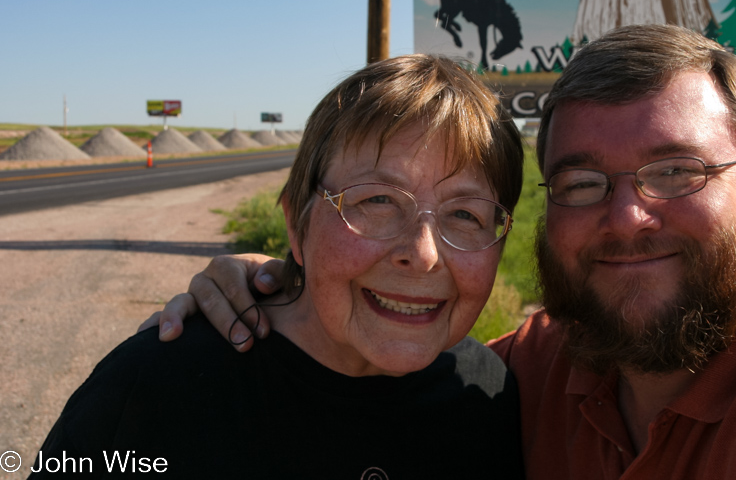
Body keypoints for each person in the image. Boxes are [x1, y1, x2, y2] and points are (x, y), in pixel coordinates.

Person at [152, 25, 736, 479]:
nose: (628, 216)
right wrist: (276, 290)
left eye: (676, 170)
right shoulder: (528, 374)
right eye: (581, 181)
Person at [31, 55, 525, 479]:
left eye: (466, 214)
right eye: (376, 200)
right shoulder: (157, 387)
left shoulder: (488, 396)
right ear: (296, 224)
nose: (423, 254)